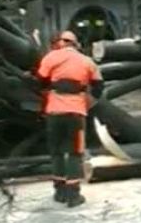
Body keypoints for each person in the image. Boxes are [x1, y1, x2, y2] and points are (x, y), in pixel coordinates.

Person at [36, 31, 104, 207]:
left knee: (56, 151)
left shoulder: (51, 57)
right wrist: (87, 103)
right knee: (75, 152)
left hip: (54, 113)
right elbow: (98, 87)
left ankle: (60, 192)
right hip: (76, 113)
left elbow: (40, 81)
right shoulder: (87, 61)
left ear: (60, 43)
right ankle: (74, 195)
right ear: (76, 44)